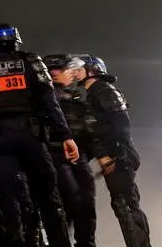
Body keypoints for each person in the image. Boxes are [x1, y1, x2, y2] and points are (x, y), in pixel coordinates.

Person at [0, 23, 77, 247]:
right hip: (32, 137)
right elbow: (50, 101)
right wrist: (65, 134)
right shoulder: (30, 61)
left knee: (8, 199)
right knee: (49, 198)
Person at [78, 55, 151, 247]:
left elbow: (121, 126)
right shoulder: (93, 94)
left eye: (80, 68)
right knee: (122, 205)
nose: (75, 71)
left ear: (92, 70)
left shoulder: (104, 90)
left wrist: (114, 156)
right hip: (114, 156)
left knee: (127, 205)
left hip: (119, 157)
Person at [43, 53, 96, 247]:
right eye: (54, 69)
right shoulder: (46, 98)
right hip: (55, 155)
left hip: (77, 157)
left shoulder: (74, 97)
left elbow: (87, 128)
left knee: (84, 201)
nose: (70, 73)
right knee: (71, 201)